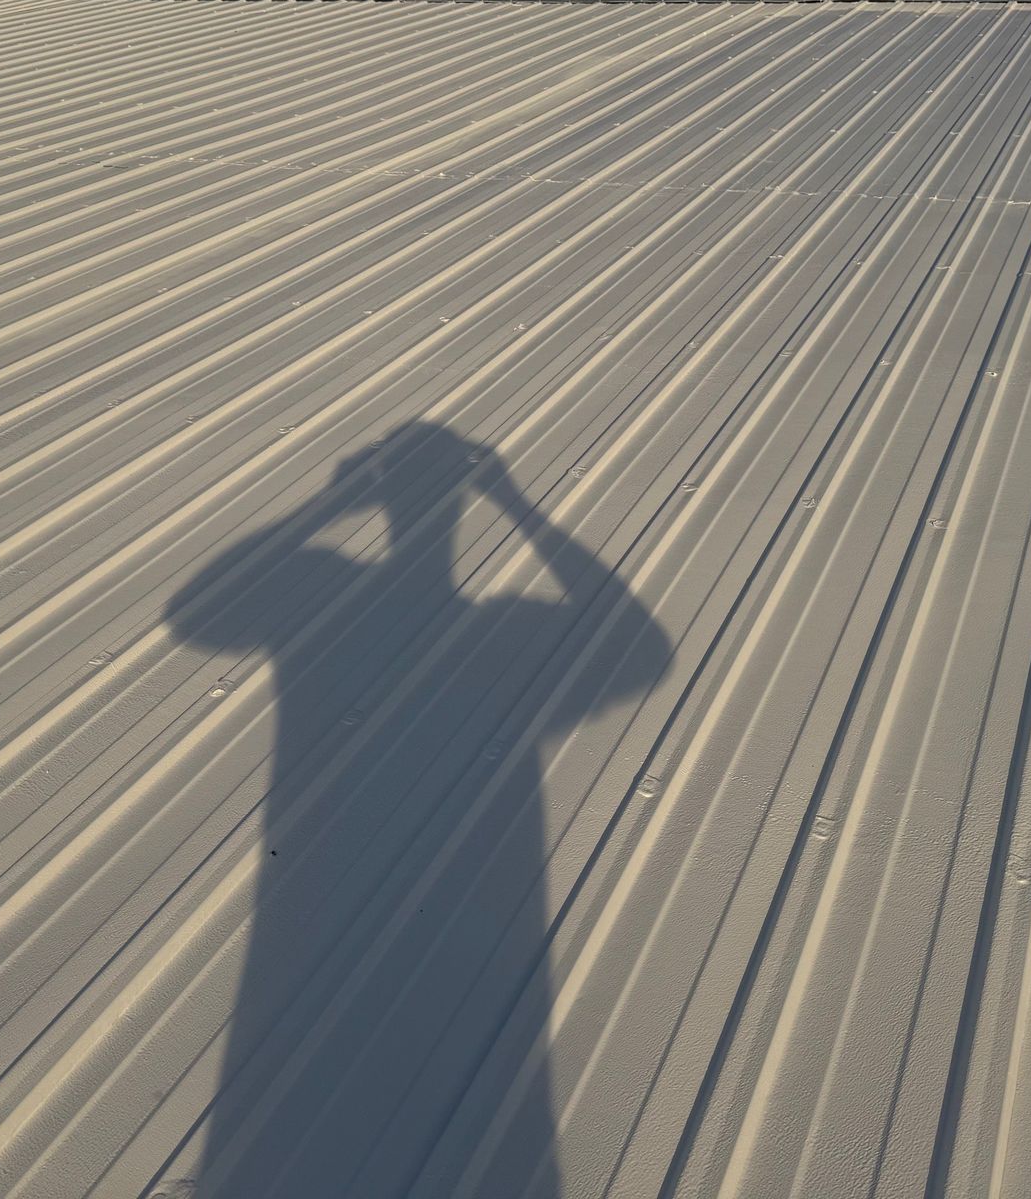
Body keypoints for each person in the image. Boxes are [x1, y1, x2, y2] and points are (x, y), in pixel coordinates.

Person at [166, 420, 670, 1197]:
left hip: (313, 880)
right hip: (482, 886)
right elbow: (642, 651)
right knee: (487, 1092)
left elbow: (197, 613)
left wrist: (328, 509)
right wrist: (516, 505)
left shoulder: (336, 594)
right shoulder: (500, 627)